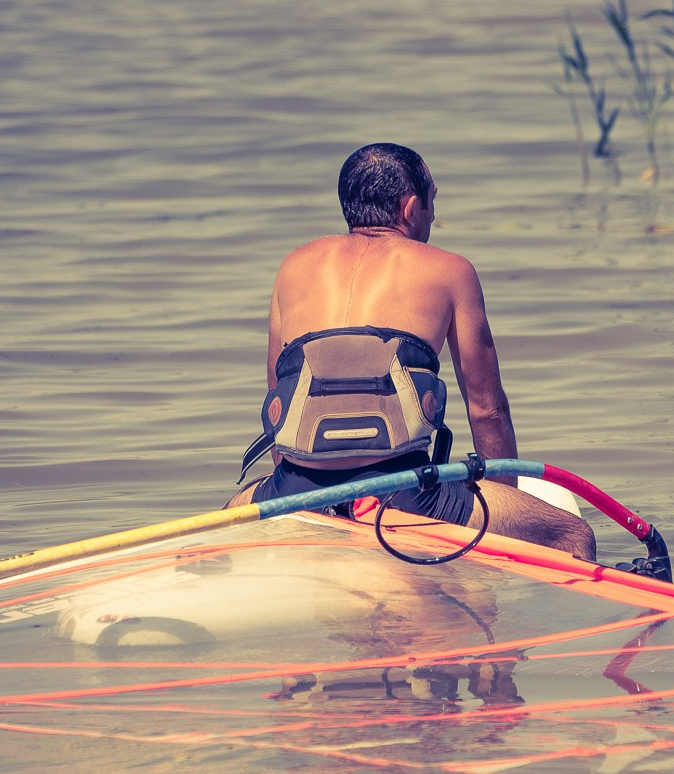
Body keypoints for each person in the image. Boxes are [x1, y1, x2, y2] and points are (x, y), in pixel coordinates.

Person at [231, 143, 596, 562]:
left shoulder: (292, 266)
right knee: (572, 534)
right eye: (432, 201)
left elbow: (279, 401)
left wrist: (294, 503)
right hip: (402, 495)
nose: (434, 215)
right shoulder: (451, 270)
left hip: (296, 490)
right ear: (410, 208)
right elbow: (487, 409)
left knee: (228, 516)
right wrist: (500, 502)